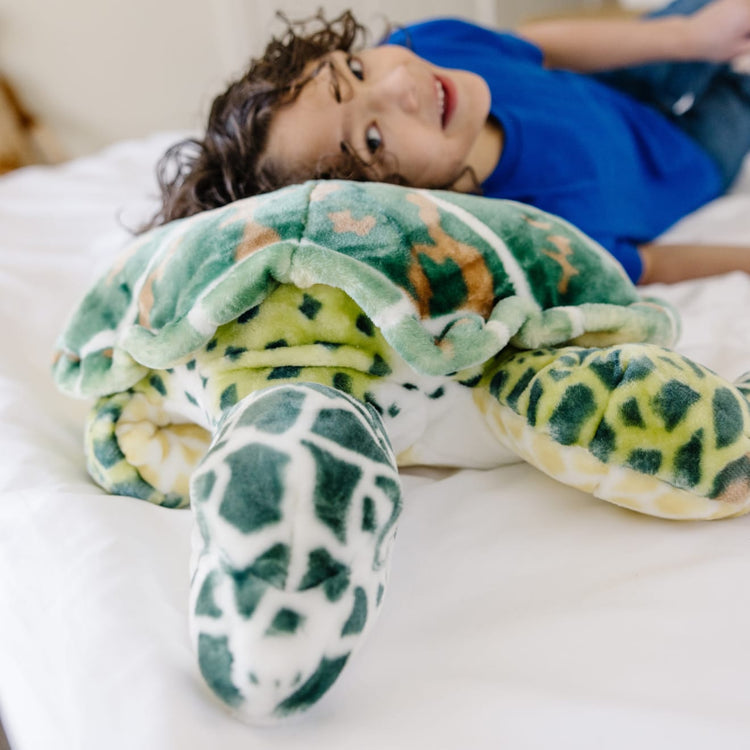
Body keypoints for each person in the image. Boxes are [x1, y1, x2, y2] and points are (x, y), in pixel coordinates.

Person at [146, 0, 750, 285]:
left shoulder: (429, 47)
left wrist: (685, 35)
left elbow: (543, 48)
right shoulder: (529, 236)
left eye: (355, 72)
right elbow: (656, 264)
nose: (401, 85)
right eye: (373, 138)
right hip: (685, 157)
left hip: (613, 84)